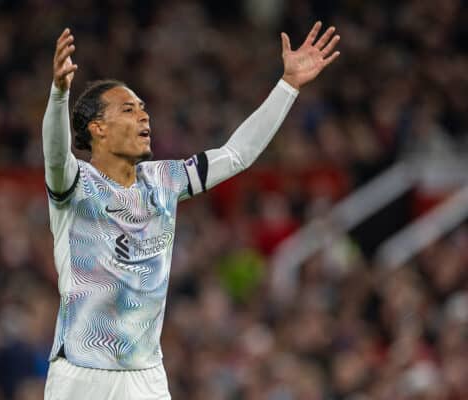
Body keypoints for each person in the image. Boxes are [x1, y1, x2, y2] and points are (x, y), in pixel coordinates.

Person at [42, 21, 340, 400]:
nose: (144, 117)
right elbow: (54, 154)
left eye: (144, 109)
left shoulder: (165, 179)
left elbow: (236, 155)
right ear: (98, 128)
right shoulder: (75, 184)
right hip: (81, 375)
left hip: (144, 376)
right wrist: (58, 95)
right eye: (129, 109)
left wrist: (288, 86)